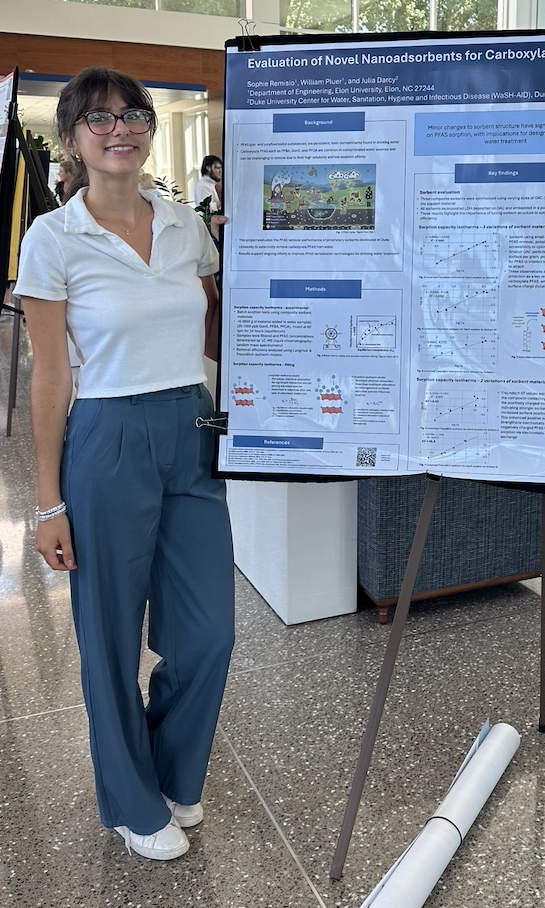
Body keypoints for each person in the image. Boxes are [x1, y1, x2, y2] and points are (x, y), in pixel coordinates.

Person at [14, 67, 234, 861]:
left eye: (134, 115)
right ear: (70, 140)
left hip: (191, 425)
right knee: (108, 635)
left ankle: (173, 769)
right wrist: (47, 502)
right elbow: (50, 374)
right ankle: (130, 798)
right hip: (105, 437)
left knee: (208, 630)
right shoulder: (52, 238)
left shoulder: (184, 227)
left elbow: (213, 331)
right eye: (99, 120)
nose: (121, 129)